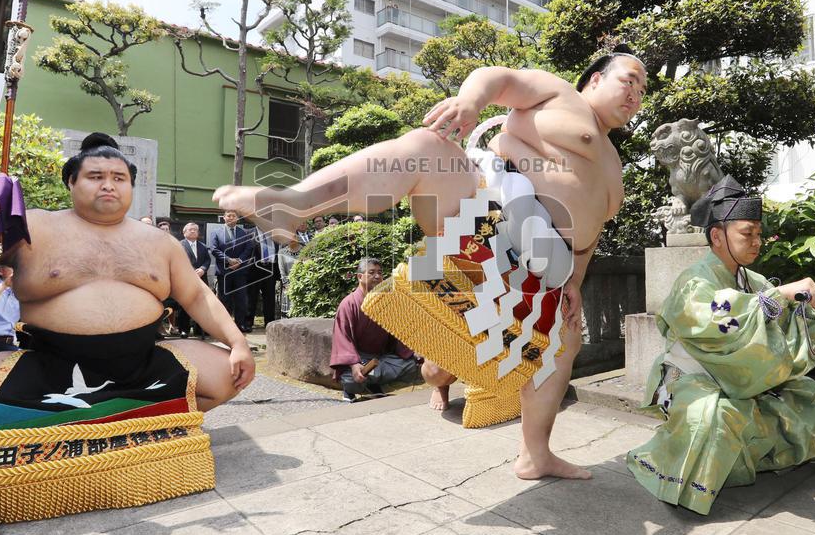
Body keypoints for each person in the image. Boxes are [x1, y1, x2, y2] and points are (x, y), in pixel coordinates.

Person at [214, 54, 647, 480]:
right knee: (426, 149)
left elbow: (589, 237)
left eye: (643, 89)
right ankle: (298, 203)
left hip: (544, 271)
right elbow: (497, 77)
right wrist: (471, 101)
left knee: (562, 347)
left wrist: (574, 280)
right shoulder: (559, 95)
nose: (636, 93)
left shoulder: (615, 164)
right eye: (629, 80)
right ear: (594, 78)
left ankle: (536, 455)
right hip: (487, 212)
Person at [0, 133, 254, 446]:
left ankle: (111, 425)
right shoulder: (35, 226)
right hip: (50, 368)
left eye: (119, 178)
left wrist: (237, 342)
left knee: (231, 373)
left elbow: (196, 295)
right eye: (95, 177)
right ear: (71, 183)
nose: (108, 185)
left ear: (131, 187)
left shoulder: (159, 242)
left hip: (143, 364)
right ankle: (88, 428)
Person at [626, 176, 815, 515]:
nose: (757, 242)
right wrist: (778, 296)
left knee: (805, 395)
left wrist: (813, 310)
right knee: (717, 416)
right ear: (717, 236)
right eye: (748, 233)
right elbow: (722, 320)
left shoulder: (753, 281)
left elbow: (779, 325)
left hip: (739, 376)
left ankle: (750, 463)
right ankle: (671, 466)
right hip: (689, 378)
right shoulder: (693, 281)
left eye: (759, 233)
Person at [330, 258, 418, 402]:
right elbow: (342, 338)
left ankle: (374, 383)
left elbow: (397, 332)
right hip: (359, 359)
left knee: (412, 365)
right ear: (360, 277)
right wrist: (353, 365)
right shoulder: (348, 304)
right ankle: (352, 388)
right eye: (371, 273)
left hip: (381, 358)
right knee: (351, 378)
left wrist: (412, 352)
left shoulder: (386, 302)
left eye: (380, 273)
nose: (377, 276)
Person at [208, 210, 256, 333]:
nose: (231, 218)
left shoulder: (244, 233)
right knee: (224, 299)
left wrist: (239, 261)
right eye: (228, 215)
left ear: (237, 218)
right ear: (224, 218)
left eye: (233, 216)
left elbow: (249, 248)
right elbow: (214, 249)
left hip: (240, 272)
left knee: (241, 300)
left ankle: (240, 324)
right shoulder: (216, 233)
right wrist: (228, 260)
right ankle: (224, 326)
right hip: (224, 271)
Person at [177, 222, 212, 337]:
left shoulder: (203, 246)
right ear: (184, 232)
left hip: (202, 278)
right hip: (186, 279)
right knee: (185, 304)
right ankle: (184, 329)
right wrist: (191, 271)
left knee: (202, 304)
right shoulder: (179, 245)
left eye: (195, 230)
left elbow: (207, 260)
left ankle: (200, 329)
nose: (193, 231)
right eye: (190, 229)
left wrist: (203, 268)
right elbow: (179, 261)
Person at [246, 222, 278, 329]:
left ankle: (269, 323)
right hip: (254, 269)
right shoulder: (249, 233)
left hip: (270, 269)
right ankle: (248, 323)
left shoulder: (274, 235)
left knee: (269, 297)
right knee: (251, 297)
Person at [0, 265, 20, 354]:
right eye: (12, 267)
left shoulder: (21, 291)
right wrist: (4, 285)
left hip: (9, 343)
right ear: (1, 270)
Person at [277, 237, 302, 317]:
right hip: (288, 286)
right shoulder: (282, 252)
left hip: (302, 285)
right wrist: (286, 284)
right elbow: (282, 270)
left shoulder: (305, 250)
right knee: (287, 314)